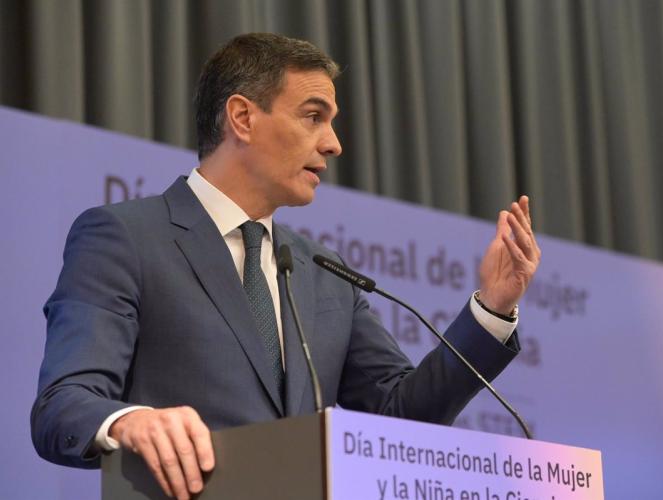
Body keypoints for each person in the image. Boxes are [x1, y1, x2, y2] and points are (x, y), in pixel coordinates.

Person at [31, 33, 541, 500]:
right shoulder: (126, 237)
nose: (334, 143)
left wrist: (493, 309)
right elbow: (63, 403)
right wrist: (129, 421)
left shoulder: (324, 272)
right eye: (313, 116)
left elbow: (400, 417)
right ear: (243, 118)